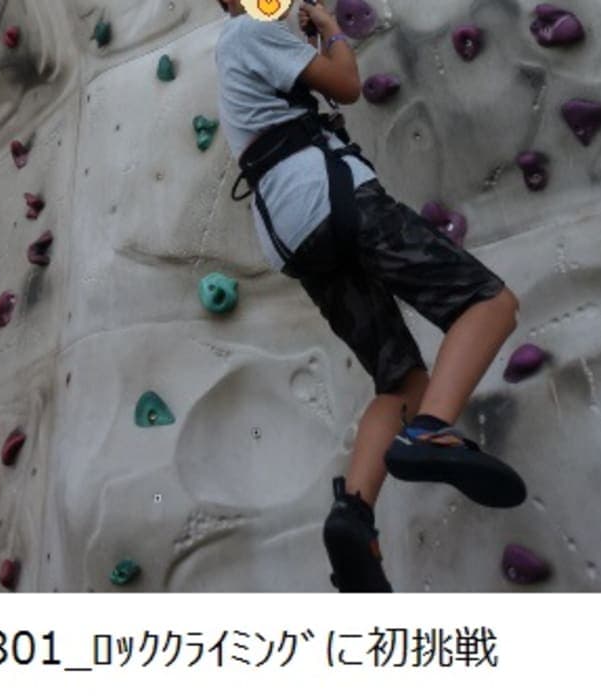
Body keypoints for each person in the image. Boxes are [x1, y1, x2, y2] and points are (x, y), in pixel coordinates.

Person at [214, 0, 528, 592]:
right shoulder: (245, 34)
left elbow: (301, 91)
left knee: (400, 380)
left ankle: (354, 516)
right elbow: (347, 85)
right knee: (487, 304)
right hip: (330, 196)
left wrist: (310, 44)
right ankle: (431, 431)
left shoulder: (245, 52)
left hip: (294, 232)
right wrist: (334, 33)